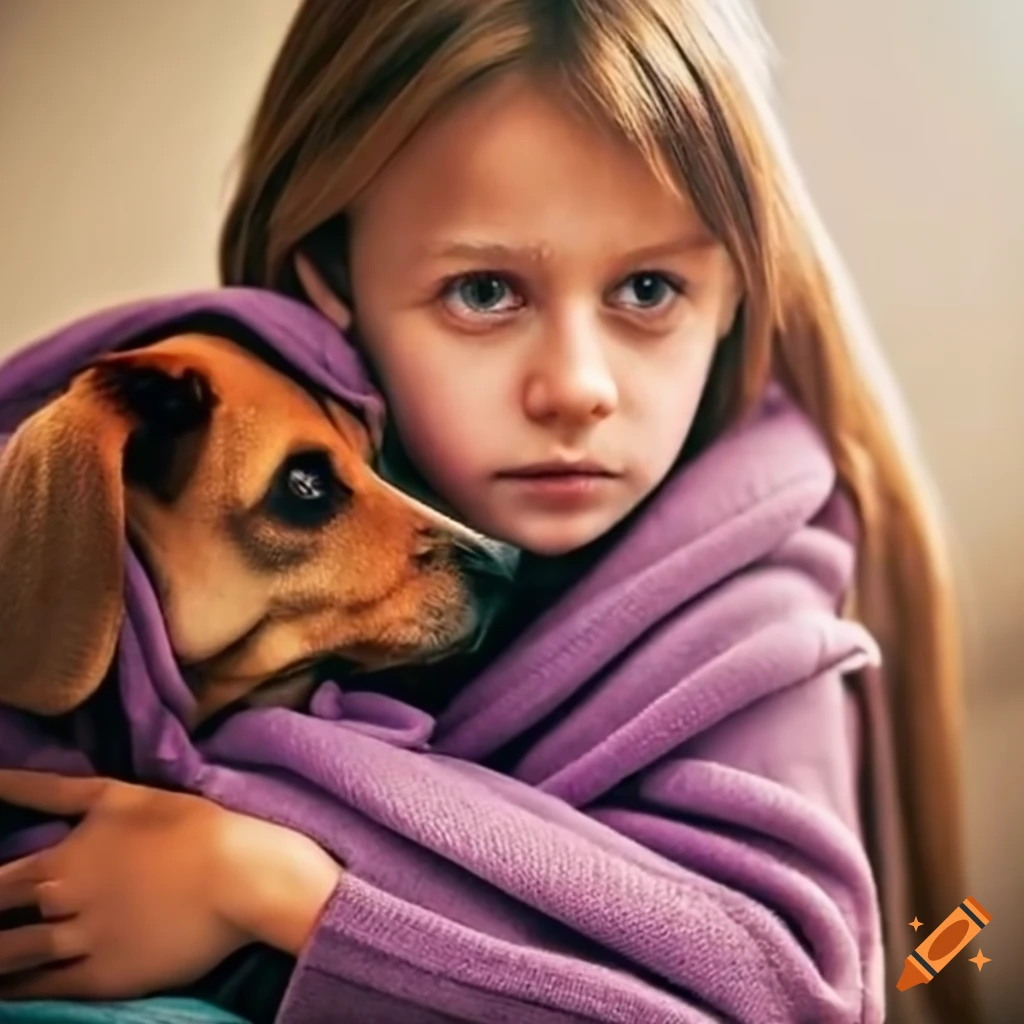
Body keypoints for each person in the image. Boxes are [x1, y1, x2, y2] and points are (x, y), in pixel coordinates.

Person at [0, 1, 980, 1023]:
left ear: (735, 292)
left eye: (648, 287)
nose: (576, 387)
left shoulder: (758, 638)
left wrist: (268, 885)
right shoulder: (192, 480)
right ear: (333, 281)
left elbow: (794, 996)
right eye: (482, 292)